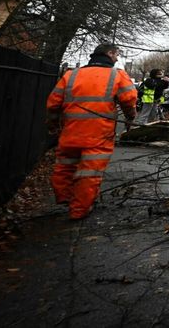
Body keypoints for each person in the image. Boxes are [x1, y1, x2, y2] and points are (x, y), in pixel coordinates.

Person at [47, 43, 137, 220]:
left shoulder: (71, 75)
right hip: (98, 133)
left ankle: (64, 197)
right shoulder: (116, 74)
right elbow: (129, 99)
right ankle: (79, 210)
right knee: (89, 173)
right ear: (109, 54)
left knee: (65, 166)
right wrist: (130, 117)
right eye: (116, 54)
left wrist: (52, 124)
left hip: (70, 131)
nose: (117, 58)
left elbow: (53, 103)